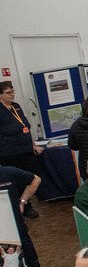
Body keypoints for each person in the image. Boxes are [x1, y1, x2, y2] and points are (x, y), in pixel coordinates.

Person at [0, 81, 42, 219]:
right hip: (10, 153)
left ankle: (24, 201)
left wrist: (33, 145)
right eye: (8, 93)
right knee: (16, 180)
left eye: (13, 91)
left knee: (31, 177)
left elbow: (26, 127)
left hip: (26, 150)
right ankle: (21, 206)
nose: (12, 94)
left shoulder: (16, 107)